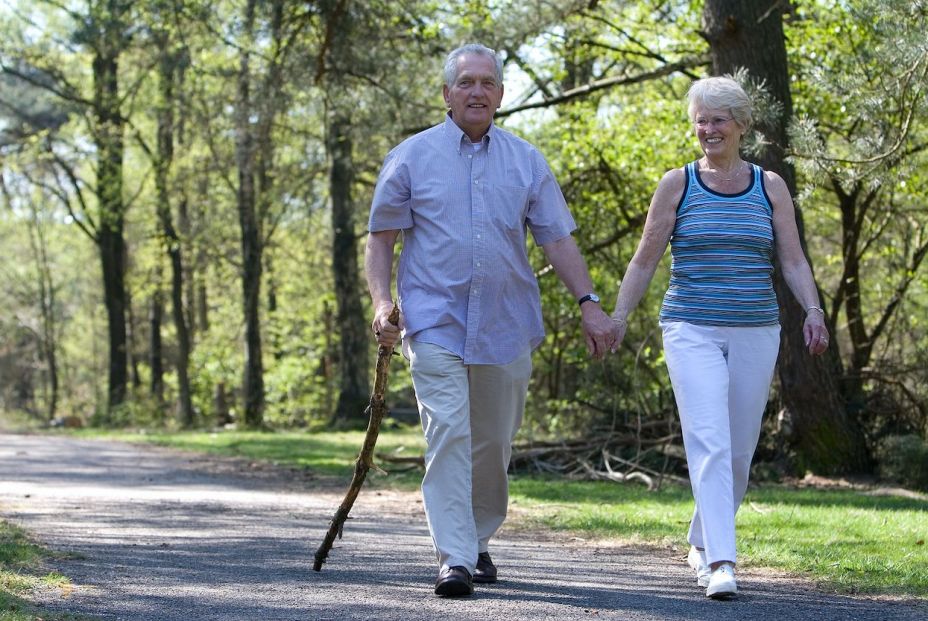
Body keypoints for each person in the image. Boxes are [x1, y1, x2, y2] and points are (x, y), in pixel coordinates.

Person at [365, 43, 618, 597]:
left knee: (493, 443)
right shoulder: (410, 157)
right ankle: (454, 557)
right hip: (433, 319)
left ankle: (477, 540)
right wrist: (382, 303)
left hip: (505, 323)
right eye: (466, 83)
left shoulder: (526, 161)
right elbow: (381, 239)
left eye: (487, 83)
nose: (476, 92)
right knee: (448, 432)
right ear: (447, 93)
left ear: (501, 94)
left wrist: (590, 303)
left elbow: (557, 239)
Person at [609, 76, 829, 599]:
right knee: (709, 437)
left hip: (757, 328)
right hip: (691, 327)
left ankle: (701, 540)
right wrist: (617, 317)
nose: (708, 129)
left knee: (738, 450)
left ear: (741, 125)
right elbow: (644, 260)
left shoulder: (770, 186)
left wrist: (813, 310)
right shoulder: (678, 184)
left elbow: (793, 260)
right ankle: (721, 562)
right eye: (700, 120)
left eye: (718, 120)